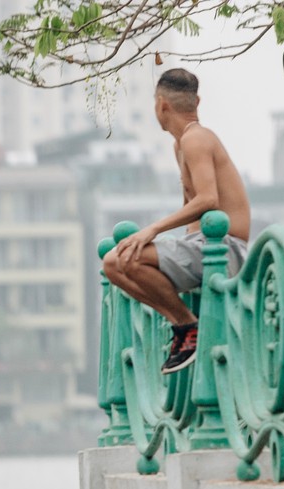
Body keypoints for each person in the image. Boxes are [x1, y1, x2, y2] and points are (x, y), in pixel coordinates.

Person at [101, 67, 253, 376]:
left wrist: (153, 230)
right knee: (114, 264)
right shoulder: (180, 144)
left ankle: (187, 327)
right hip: (201, 245)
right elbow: (193, 206)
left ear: (160, 104)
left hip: (225, 249)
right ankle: (183, 324)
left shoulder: (197, 139)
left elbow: (208, 200)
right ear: (197, 102)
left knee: (124, 257)